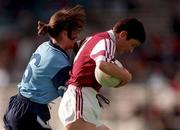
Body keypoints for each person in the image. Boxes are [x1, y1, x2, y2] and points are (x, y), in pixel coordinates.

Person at [3, 5, 86, 130]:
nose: (77, 38)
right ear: (64, 33)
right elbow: (69, 94)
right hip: (30, 113)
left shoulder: (45, 46)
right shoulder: (58, 61)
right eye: (74, 34)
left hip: (16, 106)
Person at [58, 18, 146, 130]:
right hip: (79, 98)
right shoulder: (107, 41)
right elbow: (102, 64)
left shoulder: (93, 39)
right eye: (132, 45)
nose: (131, 50)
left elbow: (76, 50)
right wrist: (126, 76)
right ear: (123, 35)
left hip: (84, 99)